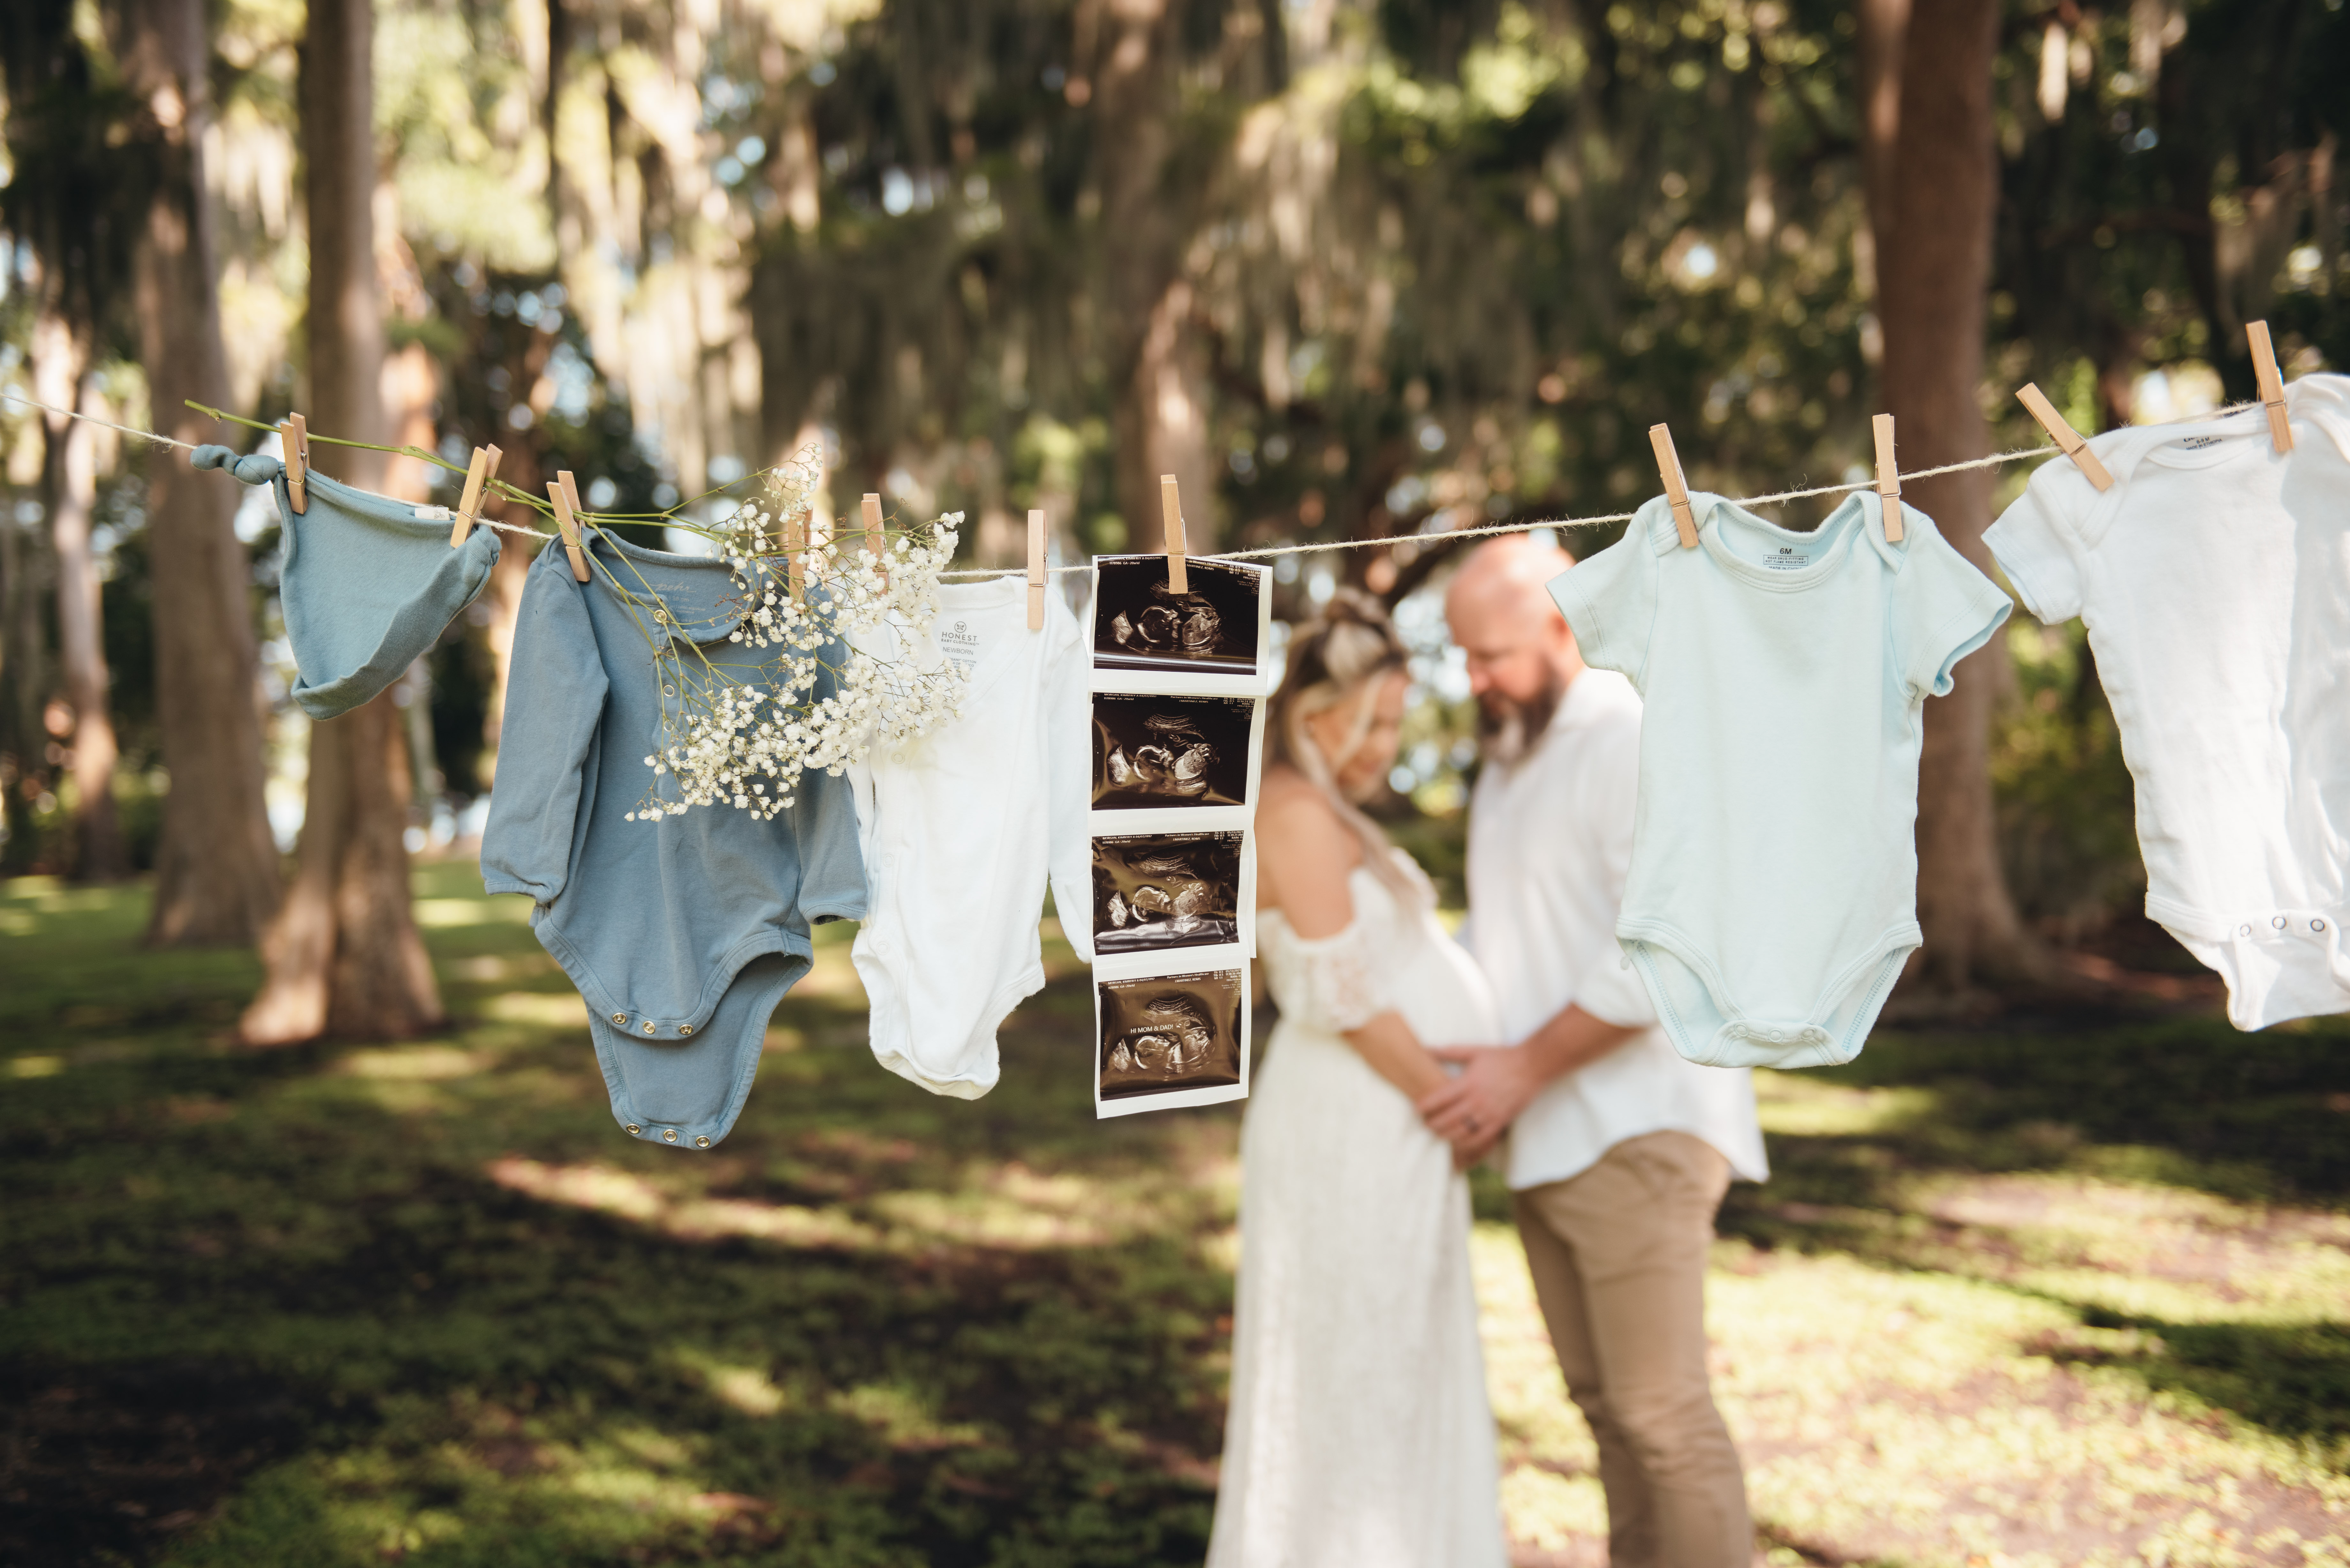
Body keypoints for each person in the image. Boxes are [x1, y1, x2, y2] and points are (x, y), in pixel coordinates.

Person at [1423, 536, 1770, 1568]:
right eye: (1465, 658)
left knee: (1663, 1417)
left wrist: (1521, 1068)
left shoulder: (1626, 734)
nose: (1475, 680)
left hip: (1640, 1128)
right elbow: (1505, 938)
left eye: (1492, 655)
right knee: (1605, 1412)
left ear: (1564, 624)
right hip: (1547, 1135)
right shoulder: (1513, 754)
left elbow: (1668, 948)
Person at [1206, 590, 1509, 1568]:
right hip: (1353, 1120)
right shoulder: (1291, 806)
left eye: (1396, 722)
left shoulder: (1329, 807)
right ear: (1311, 711)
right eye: (1372, 721)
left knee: (1398, 1364)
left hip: (1390, 1123)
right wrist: (1454, 1101)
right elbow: (1340, 992)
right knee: (1353, 1370)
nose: (1386, 745)